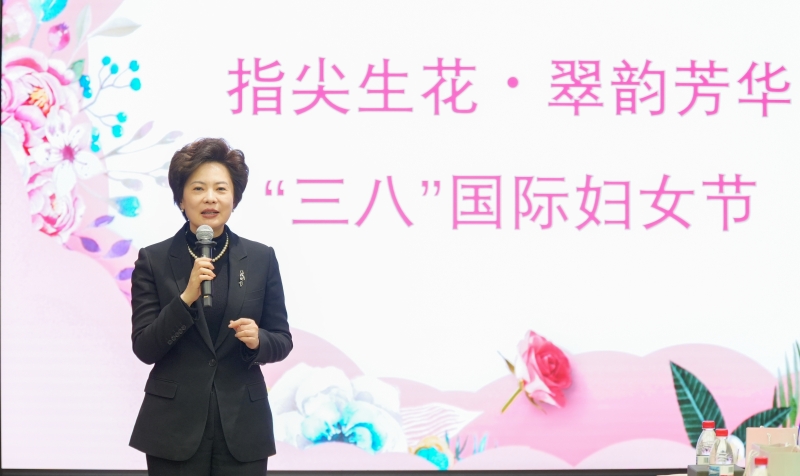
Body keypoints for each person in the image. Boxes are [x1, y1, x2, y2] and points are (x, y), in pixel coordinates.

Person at [128, 138, 292, 475]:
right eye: (198, 188)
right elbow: (145, 347)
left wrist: (258, 339)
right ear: (181, 198)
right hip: (173, 428)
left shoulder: (260, 259)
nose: (210, 198)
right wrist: (185, 298)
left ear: (234, 198)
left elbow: (282, 340)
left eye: (221, 188)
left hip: (242, 426)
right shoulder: (154, 260)